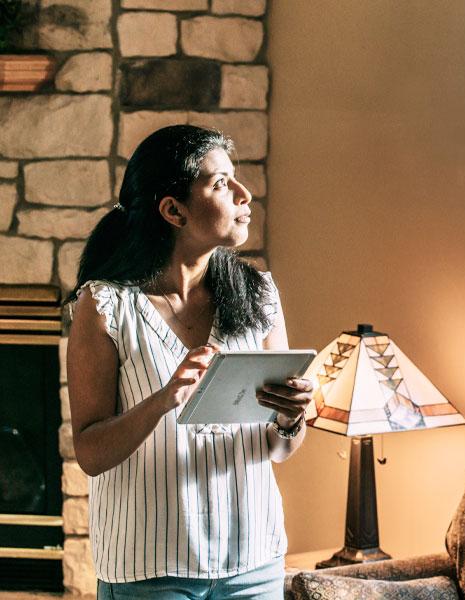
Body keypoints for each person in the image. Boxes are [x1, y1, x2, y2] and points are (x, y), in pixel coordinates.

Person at [66, 125, 311, 599]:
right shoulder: (105, 307)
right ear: (173, 210)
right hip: (149, 567)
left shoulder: (259, 294)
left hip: (253, 561)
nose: (244, 194)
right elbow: (90, 454)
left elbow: (280, 448)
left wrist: (289, 417)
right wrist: (163, 400)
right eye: (221, 183)